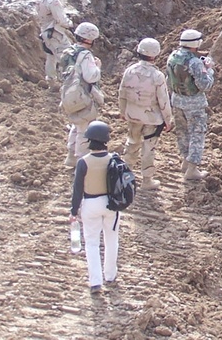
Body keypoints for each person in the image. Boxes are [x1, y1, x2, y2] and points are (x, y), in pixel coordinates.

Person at [69, 120, 119, 295]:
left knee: (91, 243)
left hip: (90, 204)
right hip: (111, 204)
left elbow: (77, 189)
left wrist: (73, 211)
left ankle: (95, 282)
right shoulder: (113, 159)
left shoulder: (83, 162)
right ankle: (111, 276)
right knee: (111, 240)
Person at [118, 37, 174, 190]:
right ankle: (147, 180)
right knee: (148, 148)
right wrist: (168, 120)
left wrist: (123, 111)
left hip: (133, 115)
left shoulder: (130, 70)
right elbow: (163, 101)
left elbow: (122, 93)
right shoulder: (157, 76)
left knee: (132, 143)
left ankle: (126, 176)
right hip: (151, 118)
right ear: (156, 54)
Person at [166, 29, 215, 181]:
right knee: (197, 133)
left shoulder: (173, 56)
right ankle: (192, 169)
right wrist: (209, 70)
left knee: (182, 132)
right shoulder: (194, 62)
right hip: (193, 103)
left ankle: (185, 161)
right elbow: (205, 85)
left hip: (177, 100)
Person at [60, 22, 104, 168]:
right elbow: (91, 77)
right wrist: (97, 67)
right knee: (84, 128)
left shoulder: (69, 52)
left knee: (76, 124)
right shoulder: (85, 55)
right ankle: (81, 161)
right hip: (82, 95)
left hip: (68, 94)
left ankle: (71, 156)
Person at [35, 0, 73, 83]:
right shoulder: (52, 1)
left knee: (51, 57)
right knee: (66, 56)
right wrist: (69, 23)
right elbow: (61, 19)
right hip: (55, 33)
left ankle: (51, 81)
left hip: (45, 32)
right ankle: (67, 82)